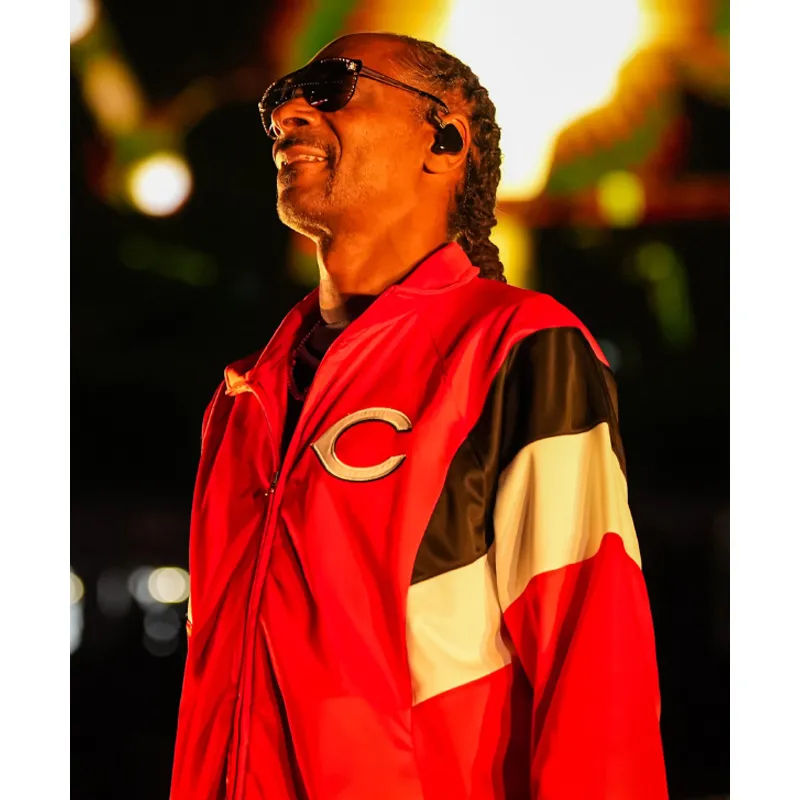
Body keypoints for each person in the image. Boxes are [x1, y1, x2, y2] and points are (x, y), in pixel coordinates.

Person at [170, 32, 668, 800]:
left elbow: (593, 661)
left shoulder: (516, 347)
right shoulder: (245, 396)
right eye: (278, 102)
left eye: (332, 88)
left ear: (445, 140)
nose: (287, 114)